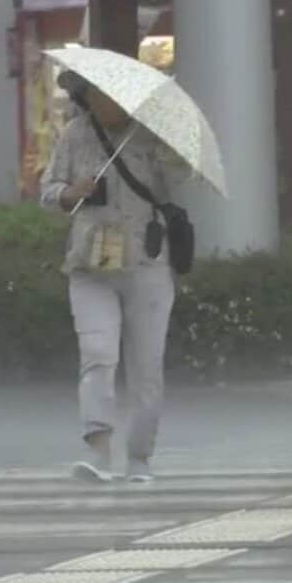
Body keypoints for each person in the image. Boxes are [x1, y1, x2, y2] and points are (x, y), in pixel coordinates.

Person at [39, 74, 192, 484]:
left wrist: (165, 153)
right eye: (93, 95)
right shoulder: (75, 134)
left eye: (109, 95)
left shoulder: (151, 137)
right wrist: (71, 192)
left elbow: (179, 180)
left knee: (146, 368)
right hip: (90, 265)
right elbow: (47, 189)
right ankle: (99, 450)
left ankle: (140, 457)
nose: (101, 103)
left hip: (147, 263)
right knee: (98, 355)